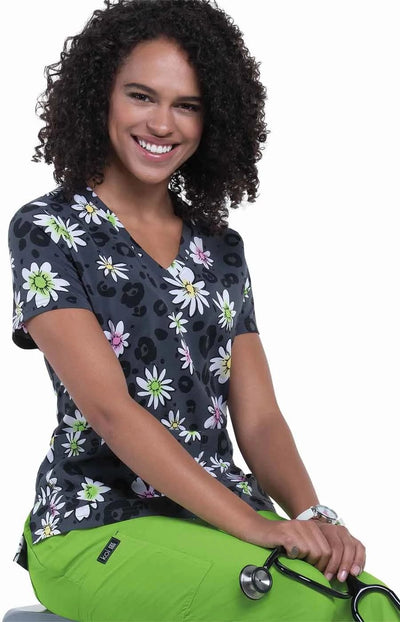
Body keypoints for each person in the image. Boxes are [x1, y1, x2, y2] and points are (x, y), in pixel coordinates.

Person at [7, 1, 398, 621]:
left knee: (369, 604)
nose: (162, 123)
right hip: (95, 521)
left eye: (186, 105)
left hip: (219, 516)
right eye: (141, 96)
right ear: (100, 96)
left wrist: (311, 516)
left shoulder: (220, 248)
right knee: (312, 611)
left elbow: (260, 420)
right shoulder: (48, 229)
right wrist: (255, 526)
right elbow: (110, 411)